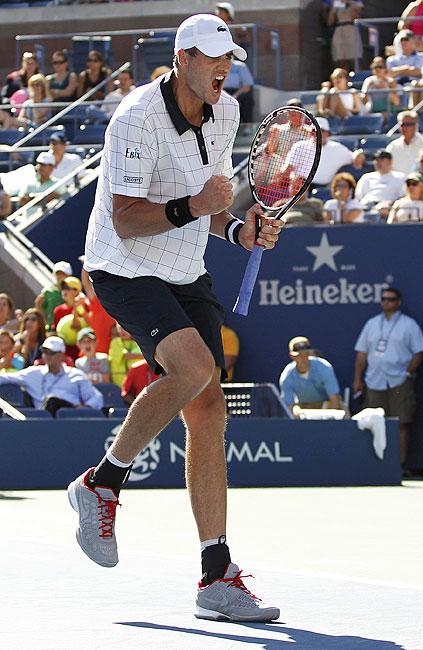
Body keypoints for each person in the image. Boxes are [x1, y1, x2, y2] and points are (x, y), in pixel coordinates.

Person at [68, 13, 282, 622]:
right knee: (194, 366)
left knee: (209, 407)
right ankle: (103, 481)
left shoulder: (229, 114)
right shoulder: (134, 117)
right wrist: (199, 204)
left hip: (185, 268)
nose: (225, 69)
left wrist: (238, 228)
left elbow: (210, 208)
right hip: (124, 265)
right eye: (214, 58)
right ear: (183, 57)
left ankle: (216, 575)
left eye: (230, 59)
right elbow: (131, 218)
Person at [353, 287, 423, 466]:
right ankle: (375, 466)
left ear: (398, 302)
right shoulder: (371, 324)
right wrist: (357, 379)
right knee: (372, 424)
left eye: (392, 299)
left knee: (400, 424)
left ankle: (399, 465)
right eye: (384, 299)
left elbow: (419, 352)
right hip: (374, 381)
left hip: (399, 382)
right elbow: (361, 354)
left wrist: (408, 373)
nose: (387, 302)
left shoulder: (408, 325)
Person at [0, 335, 103, 415]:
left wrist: (84, 408)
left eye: (51, 353)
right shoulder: (33, 373)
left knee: (52, 402)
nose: (47, 356)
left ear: (61, 355)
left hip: (70, 421)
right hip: (43, 424)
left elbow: (97, 398)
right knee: (51, 402)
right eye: (44, 352)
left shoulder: (76, 375)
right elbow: (5, 377)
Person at [279, 336, 342, 413]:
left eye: (306, 354)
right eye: (299, 355)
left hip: (327, 406)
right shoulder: (287, 376)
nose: (303, 358)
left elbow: (335, 401)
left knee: (344, 414)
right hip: (303, 409)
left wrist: (328, 420)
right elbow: (289, 407)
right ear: (292, 356)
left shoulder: (324, 368)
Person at [311, 117, 365, 186]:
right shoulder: (299, 146)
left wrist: (358, 155)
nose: (317, 133)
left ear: (328, 133)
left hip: (328, 187)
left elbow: (355, 157)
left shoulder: (337, 148)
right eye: (314, 130)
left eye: (321, 130)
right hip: (302, 188)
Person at [385, 110, 423, 175]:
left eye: (408, 124)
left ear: (415, 126)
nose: (405, 127)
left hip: (418, 183)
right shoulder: (392, 146)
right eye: (402, 124)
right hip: (397, 184)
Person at [80, 264, 115, 354]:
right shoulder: (96, 303)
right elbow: (86, 283)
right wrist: (86, 265)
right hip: (89, 357)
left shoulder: (117, 305)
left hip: (109, 357)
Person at [53, 275, 88, 361]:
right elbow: (56, 332)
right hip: (65, 353)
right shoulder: (58, 310)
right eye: (63, 288)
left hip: (83, 352)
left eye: (68, 288)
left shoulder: (85, 307)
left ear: (77, 291)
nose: (64, 291)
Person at [327, 0, 364, 71]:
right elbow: (330, 22)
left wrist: (349, 5)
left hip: (351, 30)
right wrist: (333, 9)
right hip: (339, 30)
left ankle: (357, 77)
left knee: (354, 57)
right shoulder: (337, 3)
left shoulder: (356, 3)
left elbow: (357, 18)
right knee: (340, 58)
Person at [35, 260, 72, 330]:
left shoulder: (75, 290)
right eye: (58, 273)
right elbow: (39, 304)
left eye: (62, 273)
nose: (60, 276)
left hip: (70, 328)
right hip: (52, 328)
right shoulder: (47, 291)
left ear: (68, 275)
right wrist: (44, 322)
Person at [108, 323, 143, 387]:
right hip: (119, 384)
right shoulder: (115, 342)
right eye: (120, 328)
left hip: (135, 383)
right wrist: (144, 356)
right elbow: (125, 356)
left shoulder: (137, 343)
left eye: (125, 328)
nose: (122, 331)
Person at [223, 59, 254, 123]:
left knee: (247, 99)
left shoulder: (240, 66)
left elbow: (247, 86)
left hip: (238, 93)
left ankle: (247, 127)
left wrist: (234, 96)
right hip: (221, 92)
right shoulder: (215, 65)